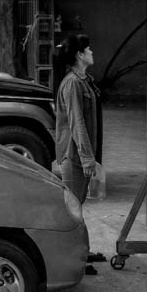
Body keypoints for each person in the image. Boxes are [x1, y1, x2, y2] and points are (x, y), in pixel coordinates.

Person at [53, 32, 104, 272]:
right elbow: (76, 123)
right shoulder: (73, 83)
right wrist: (86, 157)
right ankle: (74, 260)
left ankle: (82, 253)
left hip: (79, 154)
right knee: (72, 209)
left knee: (78, 205)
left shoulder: (83, 80)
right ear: (79, 55)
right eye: (89, 49)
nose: (92, 52)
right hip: (72, 156)